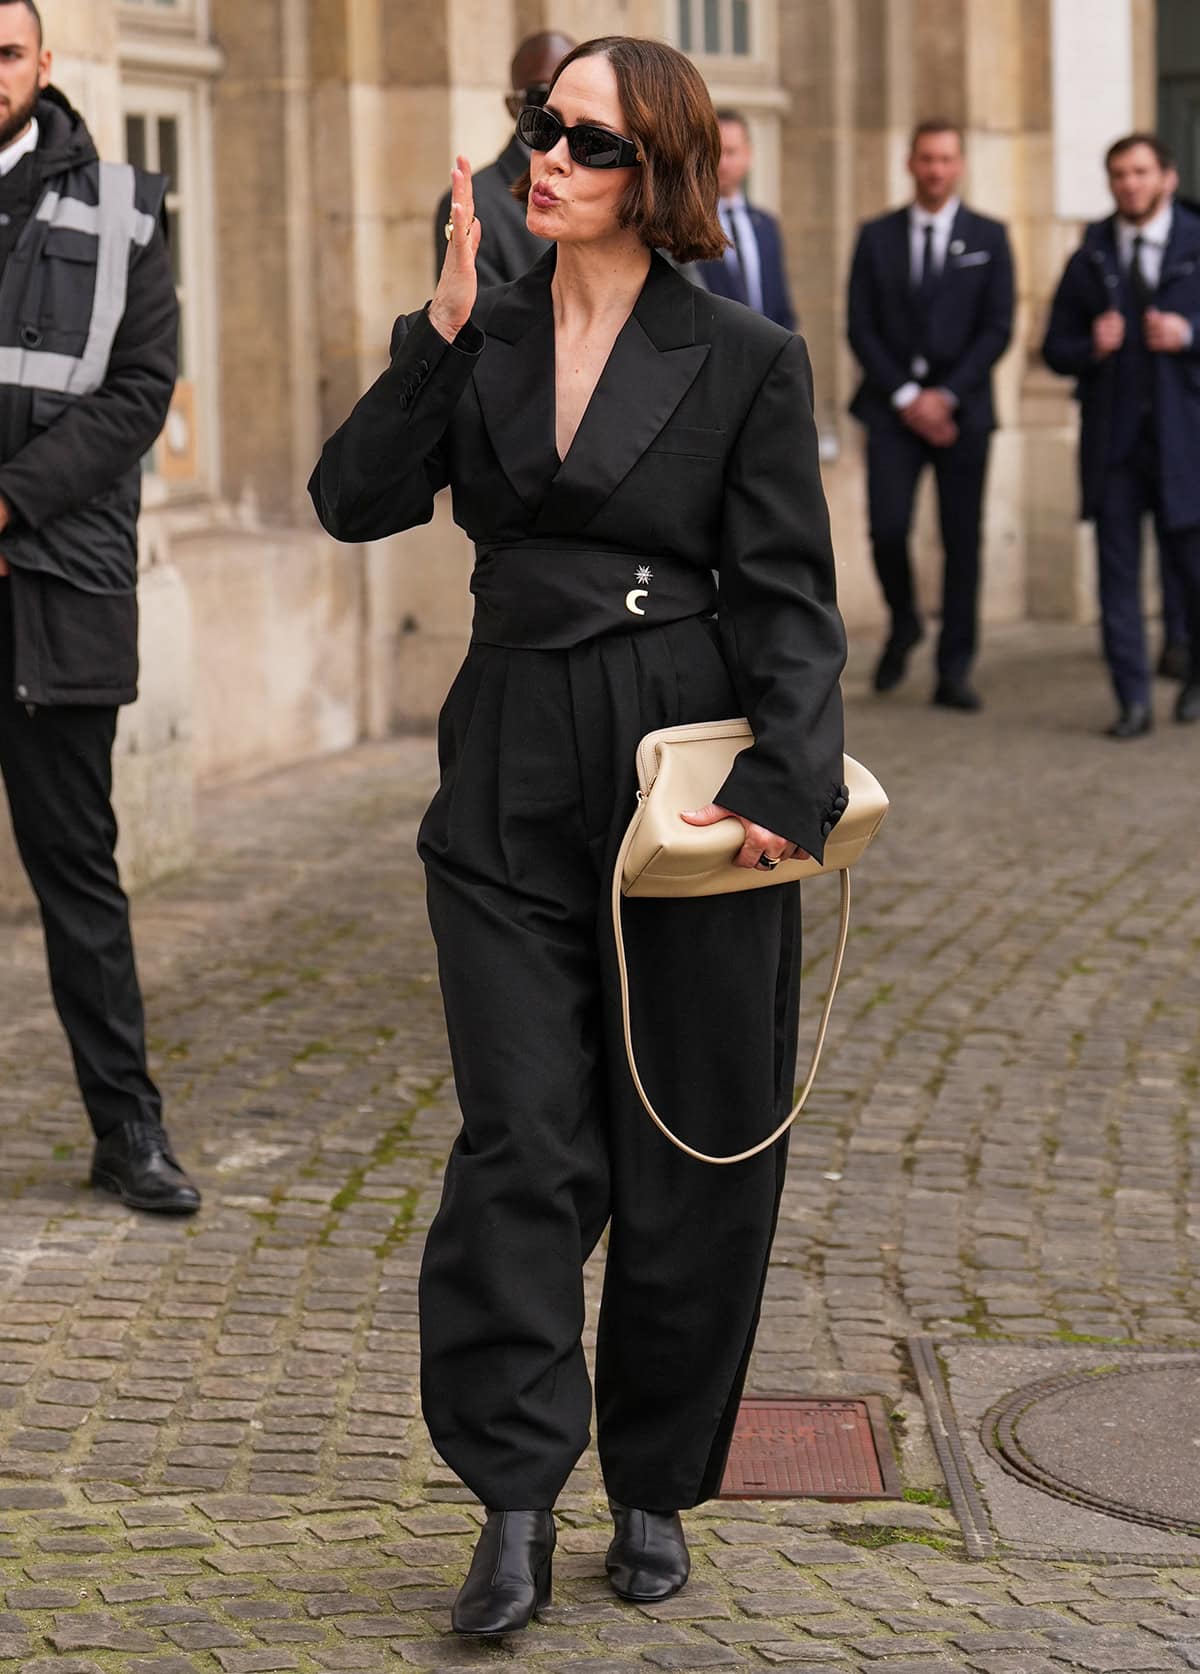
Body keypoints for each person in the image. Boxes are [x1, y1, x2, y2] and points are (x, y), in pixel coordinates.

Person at [312, 34, 847, 1639]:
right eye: (541, 128)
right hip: (505, 765)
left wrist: (785, 788)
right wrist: (439, 337)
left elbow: (789, 596)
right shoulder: (488, 327)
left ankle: (659, 1483)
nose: (544, 156)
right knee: (523, 1139)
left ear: (659, 173)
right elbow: (350, 501)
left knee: (692, 1134)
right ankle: (516, 1498)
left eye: (586, 140)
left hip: (677, 772)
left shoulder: (742, 353)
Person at [0, 0, 198, 1213]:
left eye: (3, 50)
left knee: (78, 873)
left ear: (41, 63)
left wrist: (8, 503)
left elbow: (140, 391)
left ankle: (129, 1130)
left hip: (58, 587)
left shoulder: (123, 207)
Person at [847, 119, 1014, 710]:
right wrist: (906, 398)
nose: (936, 169)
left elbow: (998, 329)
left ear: (960, 164)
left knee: (960, 540)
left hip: (963, 413)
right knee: (887, 529)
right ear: (910, 164)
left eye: (946, 159)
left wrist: (945, 397)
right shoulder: (876, 236)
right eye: (926, 159)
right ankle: (905, 622)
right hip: (892, 411)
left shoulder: (990, 236)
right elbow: (859, 326)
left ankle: (954, 668)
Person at [1043, 133, 1200, 736]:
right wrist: (1091, 345)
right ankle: (1132, 700)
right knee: (1117, 579)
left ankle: (1192, 679)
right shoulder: (1091, 254)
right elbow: (1055, 346)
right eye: (1118, 174)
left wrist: (1188, 334)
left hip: (1183, 441)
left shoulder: (1194, 241)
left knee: (1190, 569)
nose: (1129, 184)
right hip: (1114, 447)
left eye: (1140, 172)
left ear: (1168, 177)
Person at [433, 29, 575, 288]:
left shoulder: (618, 184)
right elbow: (474, 319)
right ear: (513, 107)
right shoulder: (476, 205)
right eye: (543, 98)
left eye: (575, 94)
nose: (558, 114)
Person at [693, 108, 796, 330]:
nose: (722, 163)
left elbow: (780, 303)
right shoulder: (689, 224)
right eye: (715, 152)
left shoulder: (766, 225)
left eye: (730, 152)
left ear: (748, 155)